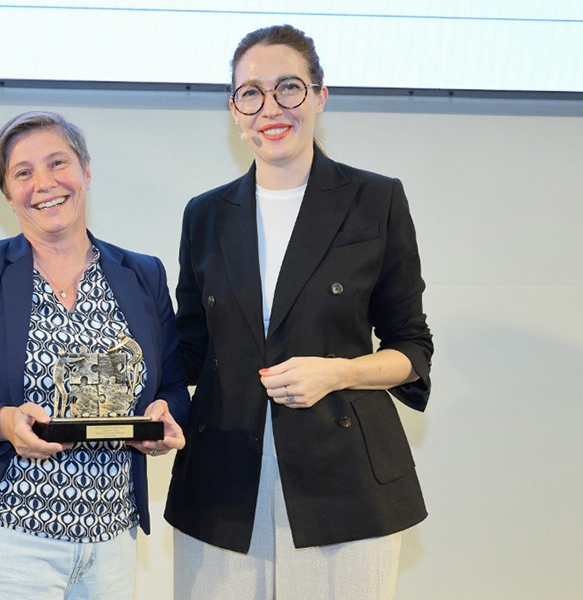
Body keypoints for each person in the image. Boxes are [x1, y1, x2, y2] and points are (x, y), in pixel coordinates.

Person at [165, 25, 434, 600]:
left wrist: (338, 371)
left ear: (319, 96)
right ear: (234, 111)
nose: (271, 108)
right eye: (251, 93)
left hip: (344, 487)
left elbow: (412, 348)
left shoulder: (375, 199)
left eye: (288, 88)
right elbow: (187, 349)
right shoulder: (205, 215)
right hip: (221, 484)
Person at [0, 111, 190, 599]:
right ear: (7, 193)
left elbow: (172, 389)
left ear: (86, 172)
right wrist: (2, 422)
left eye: (58, 163)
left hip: (111, 544)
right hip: (2, 539)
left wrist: (164, 417)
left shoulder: (143, 275)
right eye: (23, 172)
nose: (45, 183)